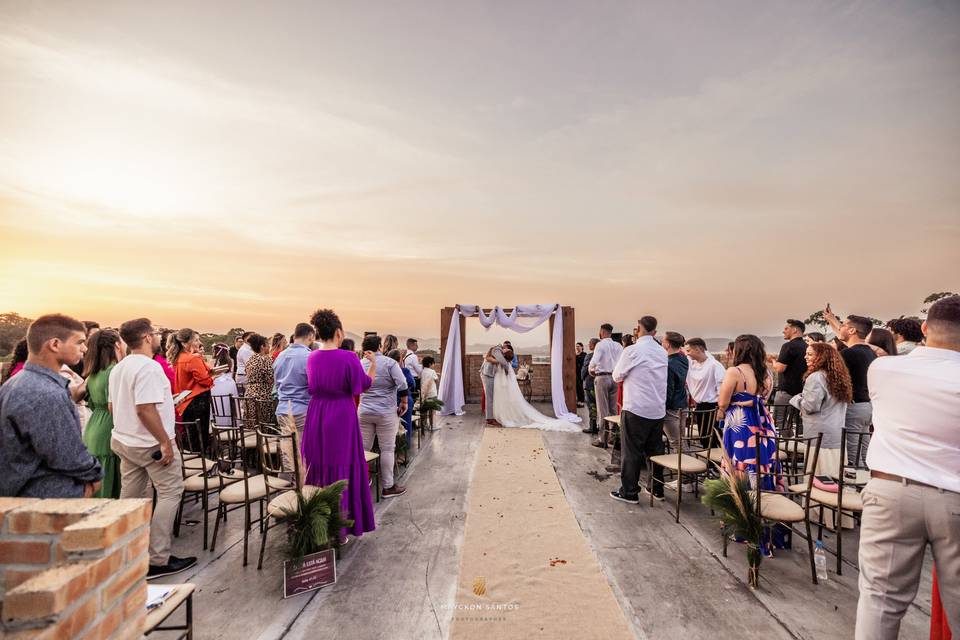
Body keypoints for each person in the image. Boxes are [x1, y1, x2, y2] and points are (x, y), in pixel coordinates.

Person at [855, 295, 960, 639]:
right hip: (955, 495)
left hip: (890, 489)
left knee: (880, 600)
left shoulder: (884, 369)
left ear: (926, 328)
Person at [110, 318, 195, 579]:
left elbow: (115, 407)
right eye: (156, 332)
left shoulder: (120, 368)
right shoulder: (148, 368)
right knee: (170, 492)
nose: (158, 336)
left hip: (125, 440)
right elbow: (144, 409)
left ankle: (125, 551)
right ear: (147, 337)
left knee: (131, 497)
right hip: (150, 444)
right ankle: (158, 558)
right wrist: (164, 441)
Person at [0, 314, 102, 497]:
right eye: (79, 342)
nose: (85, 349)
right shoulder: (45, 393)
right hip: (43, 497)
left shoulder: (15, 383)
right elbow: (68, 455)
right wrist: (95, 477)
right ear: (55, 344)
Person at [302, 309, 377, 540]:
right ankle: (341, 527)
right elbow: (364, 384)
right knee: (342, 466)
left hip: (316, 413)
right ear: (338, 332)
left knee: (321, 463)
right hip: (340, 415)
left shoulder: (312, 357)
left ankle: (319, 521)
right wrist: (373, 364)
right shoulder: (348, 358)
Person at [718, 334, 783, 554]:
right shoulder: (766, 375)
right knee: (761, 472)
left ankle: (741, 525)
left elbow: (723, 402)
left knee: (739, 472)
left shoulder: (734, 372)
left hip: (741, 428)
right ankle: (764, 520)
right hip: (764, 428)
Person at [609, 316, 668, 504]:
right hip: (657, 408)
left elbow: (617, 375)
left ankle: (630, 492)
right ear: (655, 332)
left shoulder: (632, 350)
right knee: (655, 450)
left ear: (638, 329)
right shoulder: (661, 352)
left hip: (636, 407)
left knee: (632, 451)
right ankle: (656, 489)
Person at [789, 342, 851, 478]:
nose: (805, 357)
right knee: (835, 473)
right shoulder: (837, 377)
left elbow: (810, 406)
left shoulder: (816, 377)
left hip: (818, 434)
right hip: (836, 432)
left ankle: (816, 498)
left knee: (818, 474)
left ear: (822, 357)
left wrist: (796, 399)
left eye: (810, 354)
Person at [825, 308, 878, 465]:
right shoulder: (871, 352)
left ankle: (852, 484)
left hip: (853, 407)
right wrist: (832, 319)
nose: (840, 328)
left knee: (851, 453)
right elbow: (844, 338)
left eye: (843, 325)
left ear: (852, 330)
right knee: (864, 450)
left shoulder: (848, 355)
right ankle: (864, 481)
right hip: (868, 407)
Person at [358, 335, 407, 498]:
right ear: (380, 346)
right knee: (387, 448)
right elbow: (402, 384)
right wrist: (404, 403)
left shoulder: (360, 363)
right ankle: (388, 486)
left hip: (364, 411)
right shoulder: (389, 363)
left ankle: (362, 482)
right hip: (385, 412)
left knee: (363, 449)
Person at [82, 329, 125, 498]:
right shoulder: (113, 371)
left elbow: (92, 403)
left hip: (94, 427)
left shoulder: (94, 372)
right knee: (111, 487)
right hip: (109, 428)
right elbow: (114, 406)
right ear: (116, 345)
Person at [273, 322, 315, 480]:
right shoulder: (309, 357)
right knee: (303, 454)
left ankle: (283, 490)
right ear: (310, 336)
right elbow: (313, 386)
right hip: (302, 409)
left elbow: (277, 384)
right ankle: (301, 491)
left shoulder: (280, 356)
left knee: (287, 452)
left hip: (283, 408)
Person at [168, 328, 214, 452]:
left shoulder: (178, 358)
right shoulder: (192, 358)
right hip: (197, 400)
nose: (199, 343)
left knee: (191, 435)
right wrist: (211, 377)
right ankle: (202, 463)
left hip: (185, 400)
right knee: (200, 436)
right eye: (196, 340)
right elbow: (205, 381)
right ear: (184, 343)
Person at [684, 337, 726, 447]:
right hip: (699, 406)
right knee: (704, 438)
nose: (687, 354)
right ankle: (712, 461)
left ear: (698, 349)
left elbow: (722, 388)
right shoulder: (691, 363)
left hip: (713, 406)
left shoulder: (714, 365)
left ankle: (716, 461)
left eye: (689, 351)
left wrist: (721, 409)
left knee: (712, 437)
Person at [589, 323, 625, 448]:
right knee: (614, 409)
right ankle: (614, 437)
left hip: (602, 377)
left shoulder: (600, 345)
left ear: (602, 332)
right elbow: (622, 362)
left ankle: (602, 438)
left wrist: (590, 369)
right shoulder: (618, 345)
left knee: (602, 409)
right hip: (615, 378)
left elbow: (594, 362)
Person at [770, 319, 808, 436]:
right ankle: (800, 445)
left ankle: (787, 444)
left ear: (795, 330)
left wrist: (772, 361)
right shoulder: (807, 346)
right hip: (803, 390)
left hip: (786, 390)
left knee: (779, 420)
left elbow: (780, 368)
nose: (783, 331)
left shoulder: (788, 346)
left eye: (786, 328)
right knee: (800, 421)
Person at [388, 349, 417, 449]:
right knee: (406, 424)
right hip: (403, 401)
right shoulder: (404, 371)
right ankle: (404, 449)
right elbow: (412, 384)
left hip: (389, 401)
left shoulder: (386, 370)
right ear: (400, 360)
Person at [244, 333, 275, 425]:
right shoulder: (266, 359)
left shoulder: (250, 359)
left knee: (253, 424)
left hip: (249, 394)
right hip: (262, 396)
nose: (269, 347)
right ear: (262, 346)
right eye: (268, 345)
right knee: (264, 424)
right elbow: (270, 379)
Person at [209, 343, 238, 428]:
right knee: (230, 403)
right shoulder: (231, 361)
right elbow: (231, 374)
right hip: (229, 384)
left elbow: (210, 375)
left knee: (217, 403)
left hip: (215, 384)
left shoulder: (212, 361)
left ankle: (217, 424)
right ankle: (231, 423)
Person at [480, 345, 510, 427]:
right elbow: (502, 362)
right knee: (489, 397)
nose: (506, 350)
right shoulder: (497, 350)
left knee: (491, 397)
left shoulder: (498, 351)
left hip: (489, 374)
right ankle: (489, 419)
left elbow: (496, 360)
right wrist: (508, 369)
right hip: (487, 375)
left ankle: (491, 417)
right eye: (507, 349)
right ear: (505, 348)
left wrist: (495, 360)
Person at [581, 338, 599, 434]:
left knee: (591, 405)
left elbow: (584, 370)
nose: (589, 345)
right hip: (599, 382)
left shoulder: (590, 355)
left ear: (594, 345)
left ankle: (593, 427)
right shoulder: (603, 355)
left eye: (590, 343)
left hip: (590, 383)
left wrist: (582, 378)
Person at [575, 342, 586, 406]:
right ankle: (579, 400)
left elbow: (582, 362)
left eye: (578, 346)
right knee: (577, 387)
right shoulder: (575, 354)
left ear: (582, 347)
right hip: (576, 373)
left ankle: (581, 401)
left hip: (581, 373)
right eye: (576, 346)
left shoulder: (584, 354)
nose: (577, 347)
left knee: (581, 387)